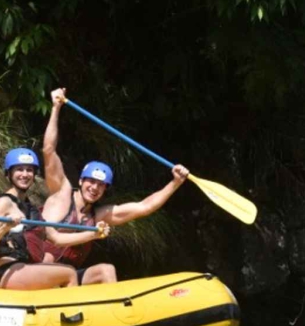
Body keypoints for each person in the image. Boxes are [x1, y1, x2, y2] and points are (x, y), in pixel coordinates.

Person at [32, 87, 190, 284]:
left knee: (106, 270)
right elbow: (48, 150)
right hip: (38, 271)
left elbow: (144, 207)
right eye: (91, 181)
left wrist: (175, 182)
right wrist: (56, 107)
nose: (94, 188)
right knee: (53, 265)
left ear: (105, 189)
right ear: (81, 181)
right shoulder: (61, 193)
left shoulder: (99, 215)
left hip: (68, 279)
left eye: (101, 185)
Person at [0, 146, 110, 289]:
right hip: (7, 271)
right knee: (69, 273)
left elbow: (57, 239)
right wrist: (6, 226)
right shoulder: (3, 203)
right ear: (8, 173)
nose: (25, 174)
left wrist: (94, 234)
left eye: (29, 170)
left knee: (60, 269)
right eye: (19, 169)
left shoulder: (32, 210)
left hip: (26, 270)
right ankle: (72, 312)